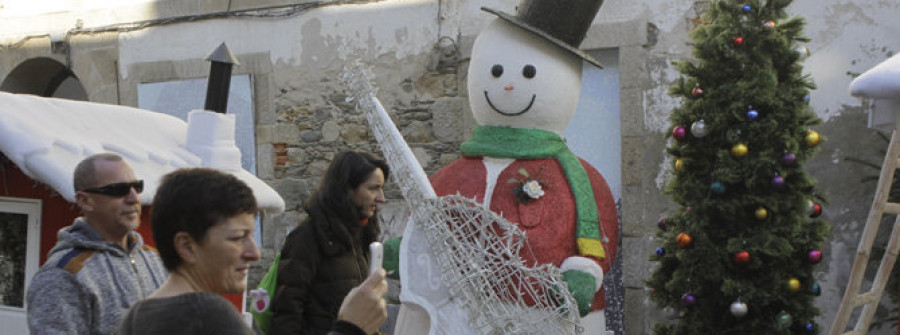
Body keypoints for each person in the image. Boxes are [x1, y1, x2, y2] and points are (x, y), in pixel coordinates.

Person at [116, 167, 388, 335]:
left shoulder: (136, 318)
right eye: (238, 238)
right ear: (187, 246)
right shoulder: (208, 315)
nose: (254, 253)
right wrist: (350, 327)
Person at [26, 153, 168, 334]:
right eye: (118, 190)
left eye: (137, 187)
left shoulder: (156, 260)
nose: (134, 198)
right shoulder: (62, 275)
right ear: (85, 201)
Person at [270, 151, 390, 335]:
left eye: (381, 189)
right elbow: (286, 316)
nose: (381, 198)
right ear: (347, 189)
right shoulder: (308, 237)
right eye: (373, 188)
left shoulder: (362, 235)